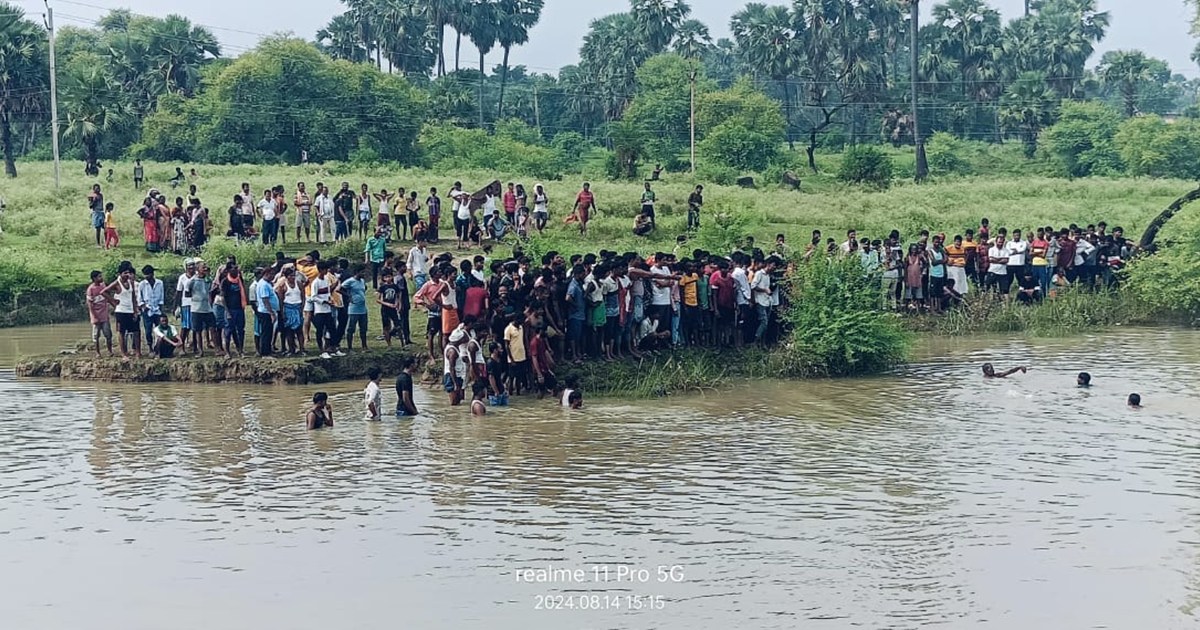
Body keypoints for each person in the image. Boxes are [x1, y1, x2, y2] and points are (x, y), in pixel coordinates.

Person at [108, 264, 142, 358]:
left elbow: (133, 298)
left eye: (128, 272)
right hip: (121, 311)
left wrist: (135, 311)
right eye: (125, 273)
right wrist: (113, 302)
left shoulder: (131, 282)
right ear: (120, 274)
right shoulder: (117, 283)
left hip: (130, 310)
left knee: (136, 331)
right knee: (122, 332)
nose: (127, 274)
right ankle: (124, 353)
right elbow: (103, 291)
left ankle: (138, 352)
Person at [86, 270, 116, 357]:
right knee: (96, 336)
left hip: (104, 316)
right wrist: (94, 317)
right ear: (94, 278)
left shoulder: (103, 286)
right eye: (99, 276)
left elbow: (108, 297)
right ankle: (97, 353)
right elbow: (90, 305)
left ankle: (110, 351)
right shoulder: (90, 289)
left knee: (108, 334)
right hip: (96, 316)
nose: (101, 278)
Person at [343, 266, 370, 351]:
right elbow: (339, 289)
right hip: (353, 309)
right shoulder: (350, 281)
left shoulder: (362, 281)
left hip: (362, 308)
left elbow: (364, 288)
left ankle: (364, 346)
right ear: (357, 272)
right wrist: (349, 296)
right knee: (351, 328)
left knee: (363, 328)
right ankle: (350, 347)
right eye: (362, 272)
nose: (364, 274)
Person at [137, 265, 165, 347]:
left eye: (147, 274)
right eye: (145, 274)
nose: (146, 276)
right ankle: (150, 346)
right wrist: (143, 306)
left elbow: (162, 296)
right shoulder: (142, 284)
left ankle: (159, 346)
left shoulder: (159, 283)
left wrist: (161, 306)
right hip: (147, 310)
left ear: (152, 274)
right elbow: (139, 297)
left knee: (159, 329)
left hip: (157, 309)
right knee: (148, 330)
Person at [255, 266, 279, 357]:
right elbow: (265, 300)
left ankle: (268, 350)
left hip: (268, 312)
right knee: (266, 333)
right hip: (265, 312)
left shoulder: (267, 283)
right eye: (272, 274)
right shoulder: (263, 285)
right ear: (267, 274)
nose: (273, 276)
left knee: (269, 332)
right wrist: (271, 313)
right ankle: (264, 352)